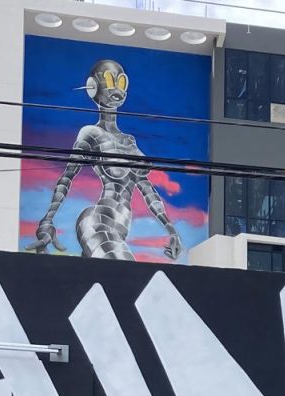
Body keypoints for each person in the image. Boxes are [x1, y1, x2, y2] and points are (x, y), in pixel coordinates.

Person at [27, 59, 183, 261]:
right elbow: (67, 177)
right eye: (110, 81)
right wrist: (47, 220)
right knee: (129, 277)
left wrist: (171, 229)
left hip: (120, 232)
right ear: (94, 87)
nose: (117, 88)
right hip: (97, 222)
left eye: (121, 82)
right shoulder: (92, 133)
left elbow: (146, 188)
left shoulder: (130, 141)